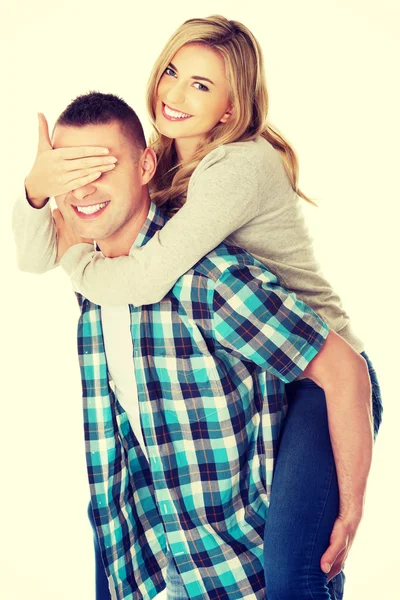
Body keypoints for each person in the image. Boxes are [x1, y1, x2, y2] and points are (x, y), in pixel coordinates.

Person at [12, 14, 382, 598]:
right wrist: (37, 189)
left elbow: (156, 273)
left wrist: (80, 262)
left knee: (294, 575)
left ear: (232, 110)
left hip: (329, 375)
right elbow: (34, 254)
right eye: (173, 72)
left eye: (202, 85)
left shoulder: (231, 179)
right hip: (276, 363)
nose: (176, 92)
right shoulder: (161, 170)